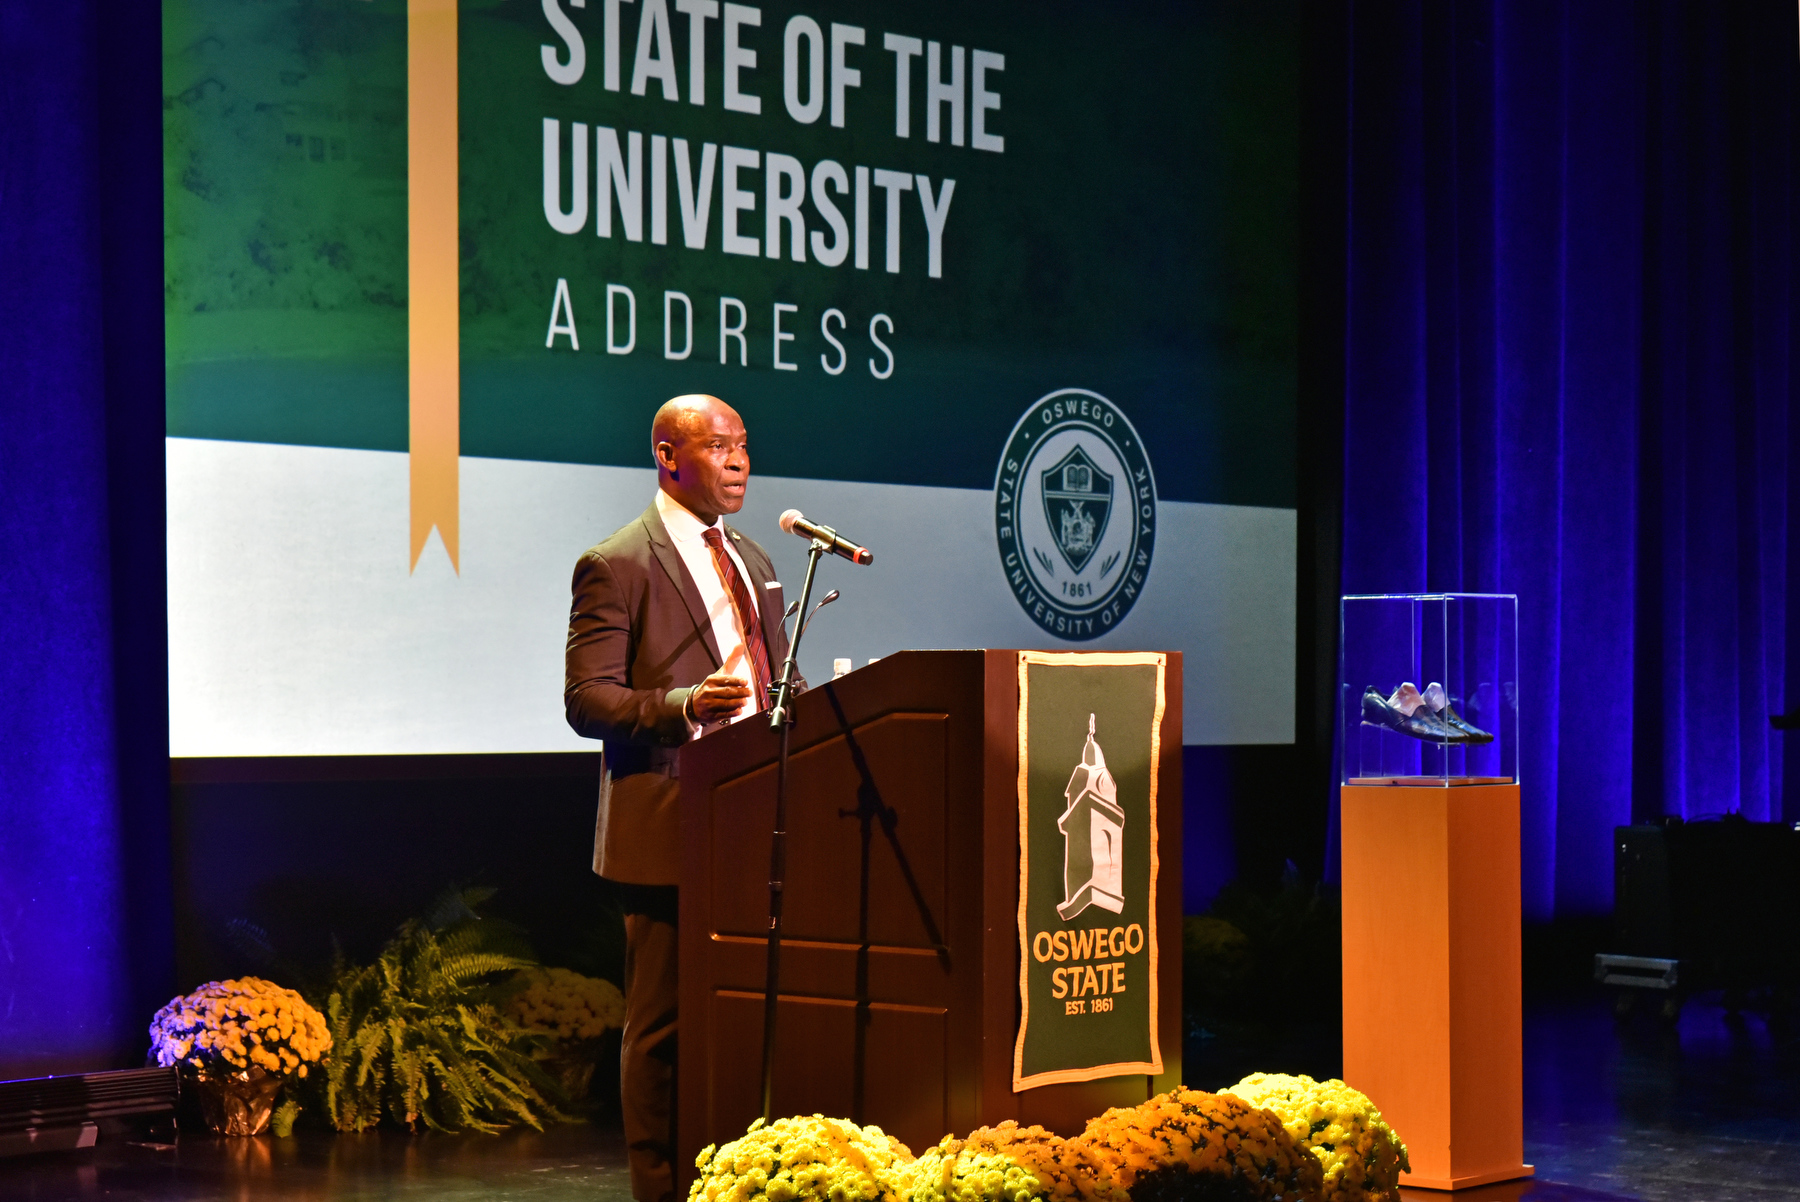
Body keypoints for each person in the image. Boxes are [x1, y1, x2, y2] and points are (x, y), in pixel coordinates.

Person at [564, 394, 800, 1202]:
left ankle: (734, 1178)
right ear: (668, 456)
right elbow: (587, 699)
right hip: (668, 816)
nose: (739, 460)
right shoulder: (619, 563)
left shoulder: (757, 561)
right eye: (718, 445)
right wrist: (679, 705)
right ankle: (658, 1189)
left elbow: (775, 679)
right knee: (662, 1026)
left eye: (744, 443)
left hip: (754, 818)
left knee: (745, 1018)